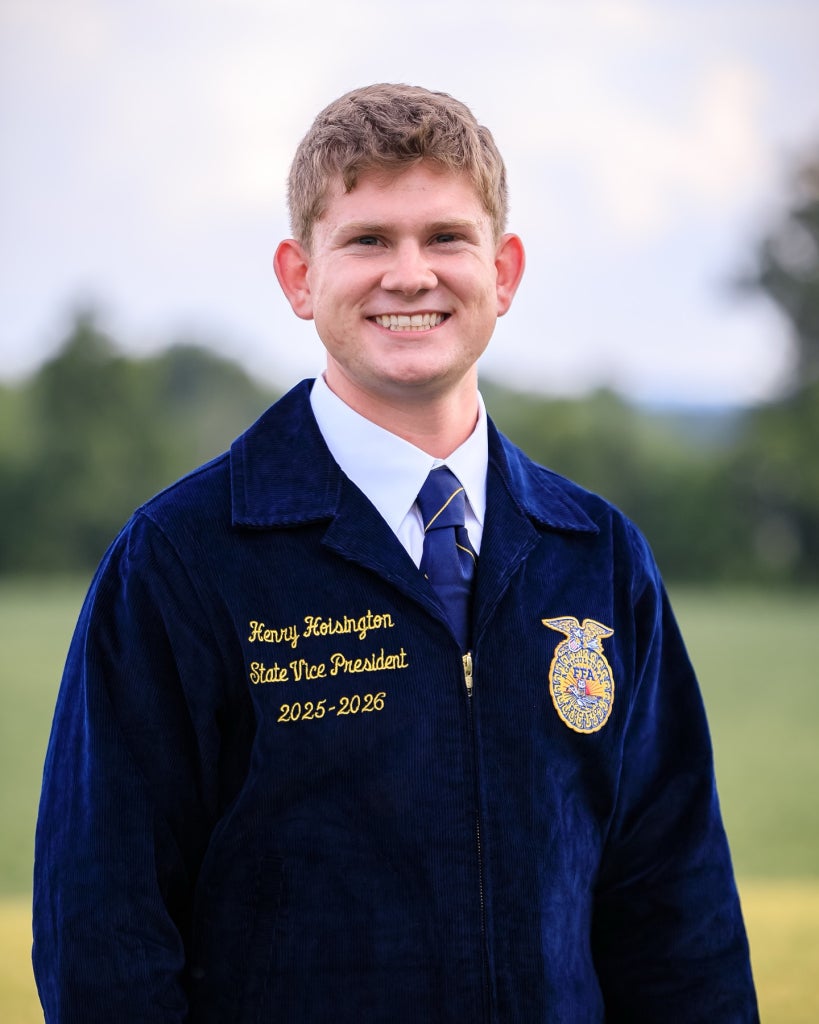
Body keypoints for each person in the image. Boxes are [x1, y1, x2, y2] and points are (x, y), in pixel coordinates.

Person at [33, 83, 758, 1022]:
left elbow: (677, 912)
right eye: (368, 239)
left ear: (504, 270)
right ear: (300, 276)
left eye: (446, 238)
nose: (409, 274)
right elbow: (104, 934)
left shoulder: (599, 559)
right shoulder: (180, 561)